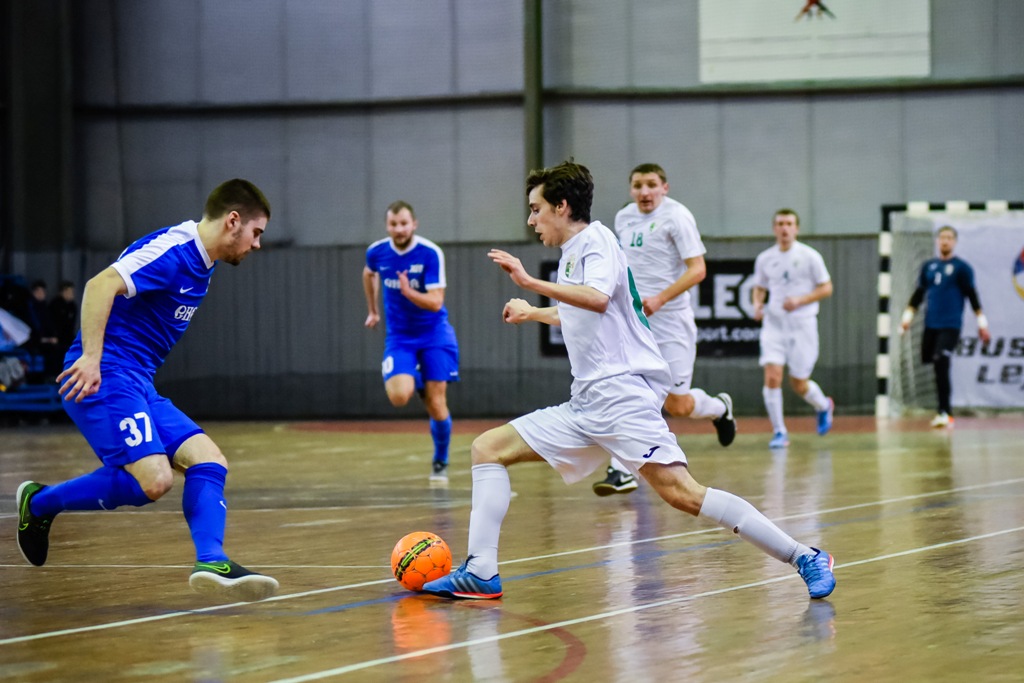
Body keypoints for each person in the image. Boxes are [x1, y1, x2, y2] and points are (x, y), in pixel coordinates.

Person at [421, 161, 836, 601]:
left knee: (683, 494)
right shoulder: (573, 253)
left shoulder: (597, 240)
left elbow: (598, 299)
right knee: (488, 448)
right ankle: (481, 571)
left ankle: (804, 556)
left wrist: (529, 282)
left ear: (562, 207)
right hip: (586, 403)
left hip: (622, 398)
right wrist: (534, 313)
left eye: (536, 209)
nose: (530, 220)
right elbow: (580, 309)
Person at [15, 179, 279, 602]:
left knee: (209, 460)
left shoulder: (204, 261)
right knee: (155, 480)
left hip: (137, 382)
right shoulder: (174, 251)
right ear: (233, 221)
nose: (258, 244)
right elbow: (100, 284)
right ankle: (40, 504)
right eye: (256, 232)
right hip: (106, 376)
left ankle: (211, 560)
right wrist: (91, 357)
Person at [593, 163, 737, 496]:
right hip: (635, 320)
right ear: (631, 189)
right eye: (638, 185)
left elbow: (697, 269)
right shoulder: (624, 217)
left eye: (651, 185)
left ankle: (720, 408)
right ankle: (621, 470)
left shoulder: (677, 217)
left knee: (678, 405)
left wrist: (660, 298)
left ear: (664, 188)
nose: (644, 192)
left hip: (671, 321)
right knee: (633, 392)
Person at [363, 200, 459, 484]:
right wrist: (373, 310)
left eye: (404, 223)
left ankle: (440, 459)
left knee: (436, 404)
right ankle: (416, 380)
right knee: (398, 396)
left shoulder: (430, 253)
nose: (399, 229)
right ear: (387, 226)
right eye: (393, 224)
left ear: (414, 224)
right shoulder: (377, 252)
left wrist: (408, 292)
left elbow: (436, 302)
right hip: (400, 337)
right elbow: (369, 273)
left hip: (434, 334)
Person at [751, 209, 835, 449]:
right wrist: (757, 304)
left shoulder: (810, 256)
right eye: (780, 224)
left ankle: (823, 405)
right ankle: (779, 432)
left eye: (789, 224)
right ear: (774, 228)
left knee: (799, 383)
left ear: (796, 228)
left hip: (802, 325)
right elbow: (759, 287)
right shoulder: (765, 258)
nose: (784, 228)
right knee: (772, 376)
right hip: (774, 325)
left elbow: (826, 288)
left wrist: (800, 300)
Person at [899, 225, 990, 428]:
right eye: (942, 237)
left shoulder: (962, 268)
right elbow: (918, 294)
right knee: (934, 364)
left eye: (949, 238)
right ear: (937, 241)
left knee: (942, 360)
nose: (945, 241)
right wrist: (907, 318)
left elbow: (972, 296)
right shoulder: (929, 267)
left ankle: (945, 412)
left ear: (954, 242)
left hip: (950, 325)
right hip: (931, 325)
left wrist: (982, 324)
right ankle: (941, 410)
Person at [49, 280, 79, 354]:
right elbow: (51, 322)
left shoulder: (73, 306)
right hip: (57, 339)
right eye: (69, 292)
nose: (72, 294)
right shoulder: (54, 305)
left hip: (69, 338)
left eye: (72, 292)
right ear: (63, 292)